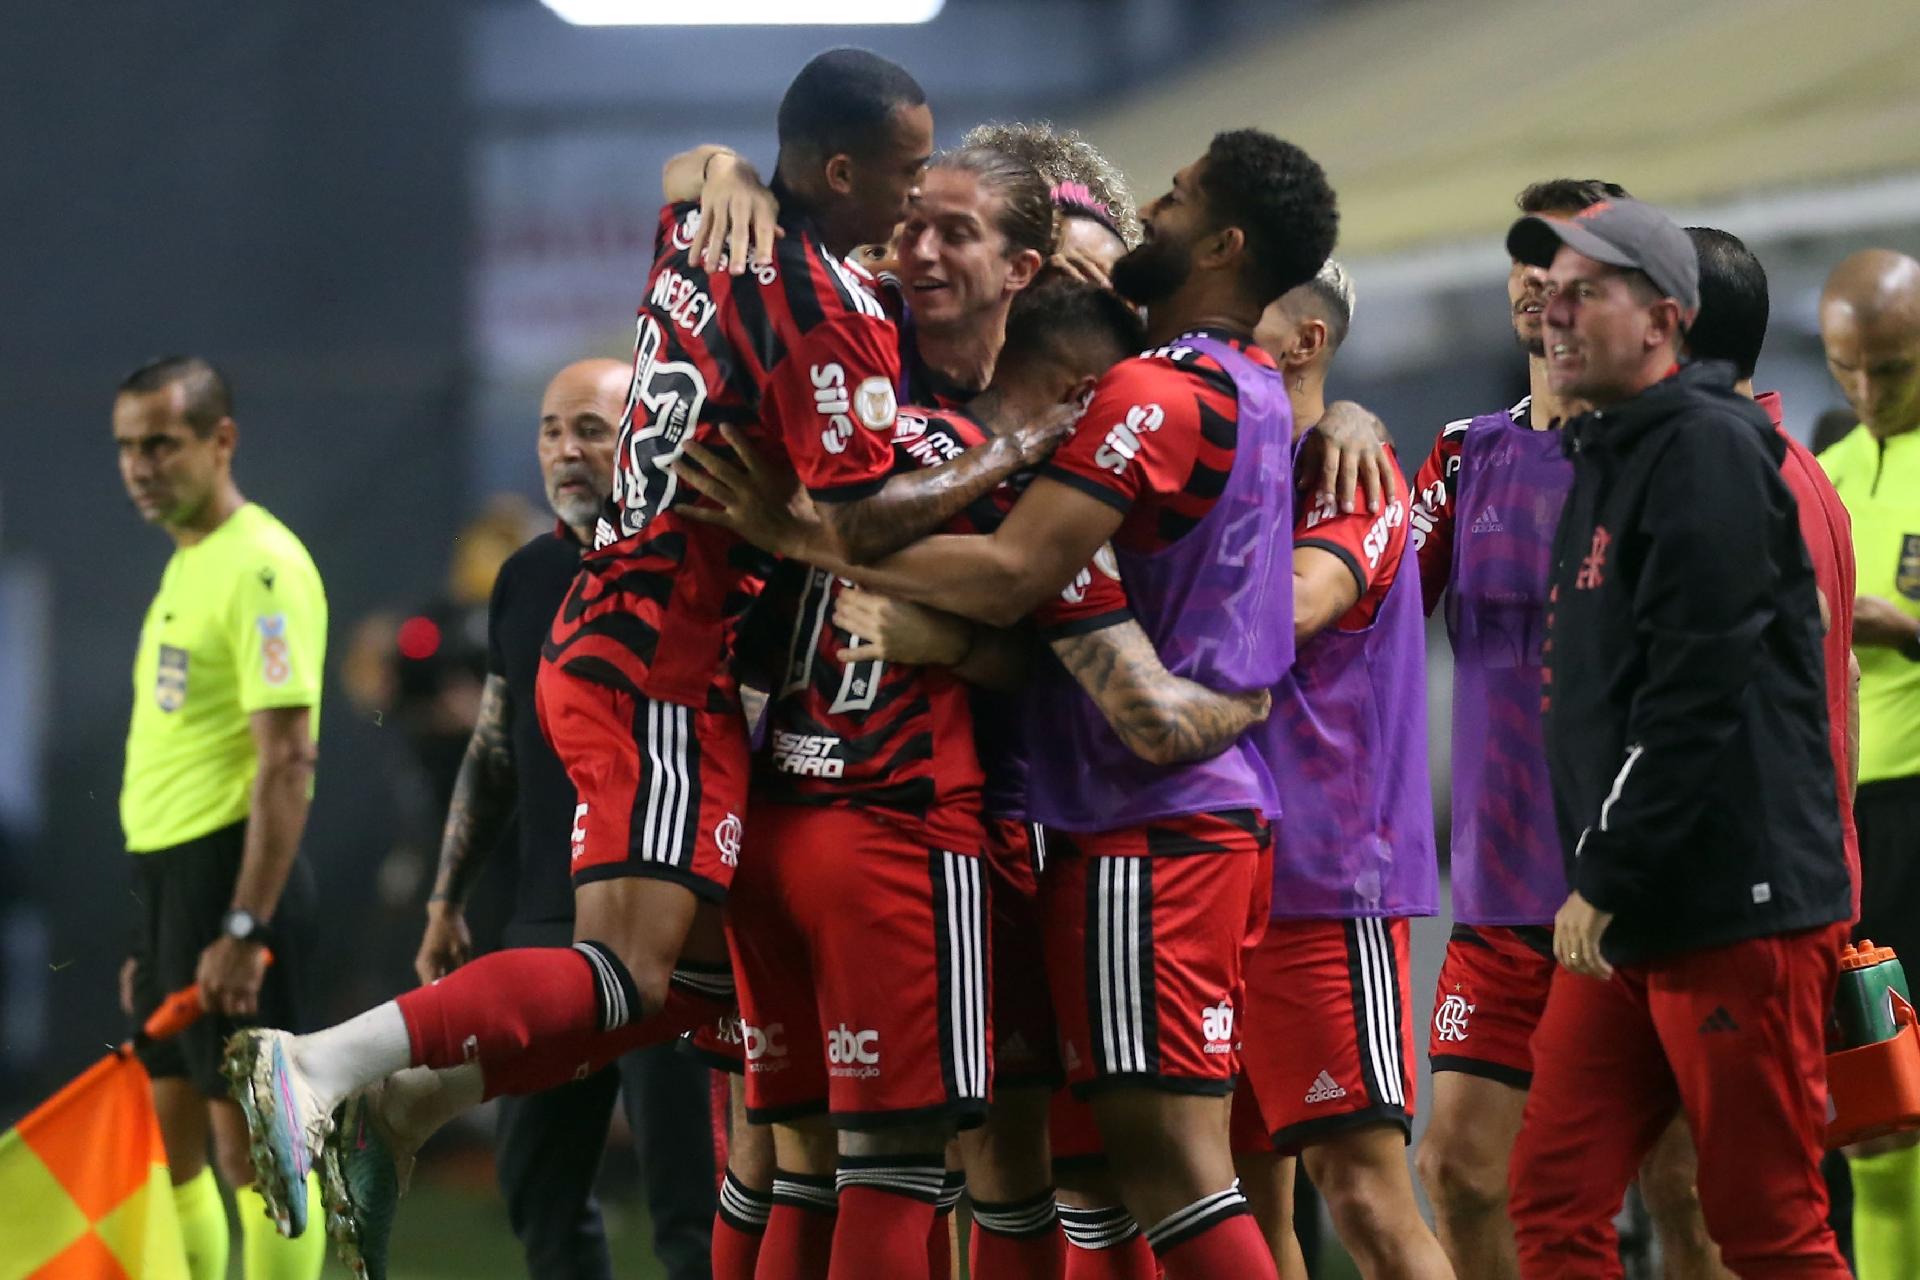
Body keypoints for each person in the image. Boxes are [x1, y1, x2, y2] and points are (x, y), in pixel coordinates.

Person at [227, 47, 1080, 1268]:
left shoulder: (708, 228)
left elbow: (702, 176)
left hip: (643, 650)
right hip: (668, 666)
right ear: (842, 172)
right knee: (631, 977)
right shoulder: (825, 310)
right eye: (903, 181)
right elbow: (863, 518)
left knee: (691, 980)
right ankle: (322, 1062)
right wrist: (1020, 452)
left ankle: (407, 1099)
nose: (913, 212)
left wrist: (720, 168)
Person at [680, 127, 1342, 1280]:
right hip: (956, 818)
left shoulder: (1137, 403)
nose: (919, 250)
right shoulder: (861, 366)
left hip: (1080, 828)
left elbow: (1035, 595)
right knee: (860, 1150)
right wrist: (718, 172)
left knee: (1127, 1163)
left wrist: (813, 541)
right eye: (914, 228)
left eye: (960, 233)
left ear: (1024, 275)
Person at [1503, 197, 1852, 1276]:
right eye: (1546, 292)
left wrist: (1604, 870)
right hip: (1633, 909)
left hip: (1725, 900)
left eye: (1585, 293)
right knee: (1552, 1197)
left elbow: (1699, 689)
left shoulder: (1707, 447)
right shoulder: (1610, 449)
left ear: (1663, 319)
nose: (1552, 314)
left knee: (1767, 1225)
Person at [409, 358, 717, 1280]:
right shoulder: (526, 577)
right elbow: (496, 747)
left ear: (642, 437)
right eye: (550, 430)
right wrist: (445, 899)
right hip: (547, 926)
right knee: (541, 1198)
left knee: (691, 1216)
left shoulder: (696, 564)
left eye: (590, 427)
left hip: (671, 934)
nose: (565, 450)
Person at [1230, 263, 1450, 1280]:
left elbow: (1295, 608)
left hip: (1325, 879)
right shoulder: (1216, 461)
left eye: (1240, 311)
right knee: (1227, 1194)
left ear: (1306, 339)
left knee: (1362, 1188)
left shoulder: (1357, 475)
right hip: (1205, 865)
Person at [113, 355, 327, 1280]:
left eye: (161, 443)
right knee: (172, 1152)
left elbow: (287, 760)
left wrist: (245, 924)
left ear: (220, 441)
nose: (140, 466)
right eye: (127, 447)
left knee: (257, 1157)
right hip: (171, 882)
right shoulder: (190, 562)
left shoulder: (263, 568)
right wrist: (156, 929)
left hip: (232, 879)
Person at [1817, 247, 1920, 1280]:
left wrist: (1906, 626)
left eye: (1889, 368)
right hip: (1853, 827)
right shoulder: (1827, 473)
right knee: (1883, 1113)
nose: (1866, 391)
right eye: (1849, 367)